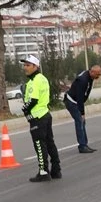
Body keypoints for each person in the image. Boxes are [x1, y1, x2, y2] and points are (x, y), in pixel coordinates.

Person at [20, 53, 61, 182]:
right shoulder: (43, 78)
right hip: (45, 114)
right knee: (50, 143)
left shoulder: (34, 81)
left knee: (39, 144)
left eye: (28, 65)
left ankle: (43, 172)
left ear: (35, 66)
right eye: (24, 65)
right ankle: (56, 170)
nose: (25, 68)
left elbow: (32, 100)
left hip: (37, 117)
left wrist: (25, 110)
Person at [64, 64, 101, 153]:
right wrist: (82, 113)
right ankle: (82, 146)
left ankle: (84, 144)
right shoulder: (83, 80)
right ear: (92, 72)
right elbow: (80, 97)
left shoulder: (90, 77)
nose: (98, 76)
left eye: (99, 75)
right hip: (71, 101)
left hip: (76, 101)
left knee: (82, 122)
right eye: (97, 74)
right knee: (80, 121)